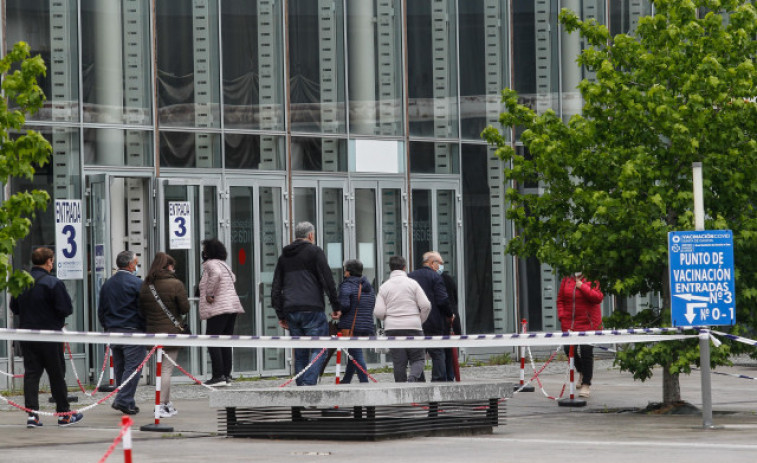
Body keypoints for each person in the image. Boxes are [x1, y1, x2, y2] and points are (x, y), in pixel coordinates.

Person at [10, 247, 84, 428]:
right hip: (51, 335)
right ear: (49, 261)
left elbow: (14, 307)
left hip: (28, 335)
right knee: (56, 374)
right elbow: (66, 309)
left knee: (31, 375)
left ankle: (32, 415)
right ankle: (64, 414)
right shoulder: (53, 283)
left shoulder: (22, 283)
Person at [271, 221, 340, 386]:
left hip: (291, 310)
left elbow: (275, 288)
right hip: (312, 309)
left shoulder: (283, 257)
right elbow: (327, 280)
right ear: (310, 235)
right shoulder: (315, 252)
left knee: (300, 352)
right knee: (321, 347)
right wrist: (336, 306)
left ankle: (301, 390)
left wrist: (280, 314)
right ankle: (308, 385)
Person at [139, 252, 190, 417]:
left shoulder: (147, 285)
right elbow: (185, 308)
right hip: (171, 332)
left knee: (161, 368)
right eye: (172, 265)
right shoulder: (175, 284)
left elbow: (142, 309)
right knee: (167, 370)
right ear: (168, 266)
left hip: (153, 332)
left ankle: (167, 403)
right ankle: (160, 405)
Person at [98, 250, 145, 415]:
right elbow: (143, 309)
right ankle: (123, 400)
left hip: (113, 330)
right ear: (131, 265)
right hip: (132, 331)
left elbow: (101, 309)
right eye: (136, 263)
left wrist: (107, 326)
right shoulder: (137, 283)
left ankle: (125, 399)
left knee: (120, 367)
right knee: (133, 368)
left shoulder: (108, 284)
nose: (137, 266)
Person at [374, 256, 431, 383]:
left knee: (399, 362)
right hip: (413, 326)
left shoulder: (384, 287)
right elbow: (426, 305)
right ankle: (412, 379)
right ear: (404, 267)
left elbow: (378, 312)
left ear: (390, 268)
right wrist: (419, 320)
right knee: (418, 359)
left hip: (393, 328)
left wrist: (387, 318)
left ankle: (400, 391)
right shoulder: (413, 284)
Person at [198, 238, 244, 386]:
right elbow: (233, 278)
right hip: (231, 306)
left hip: (219, 307)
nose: (203, 252)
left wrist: (209, 293)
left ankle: (218, 375)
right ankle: (226, 374)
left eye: (205, 250)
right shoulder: (224, 264)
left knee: (212, 339)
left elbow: (216, 275)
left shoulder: (211, 264)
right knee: (225, 340)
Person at [557, 271, 604, 398]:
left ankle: (586, 384)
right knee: (568, 350)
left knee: (586, 351)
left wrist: (582, 287)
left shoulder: (593, 278)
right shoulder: (566, 279)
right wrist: (562, 316)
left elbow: (598, 297)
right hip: (570, 324)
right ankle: (582, 371)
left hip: (589, 324)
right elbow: (560, 299)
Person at [408, 251, 453, 382]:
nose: (441, 267)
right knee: (437, 353)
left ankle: (418, 381)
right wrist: (450, 315)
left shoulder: (410, 276)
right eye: (440, 264)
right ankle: (438, 382)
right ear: (432, 263)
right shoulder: (435, 277)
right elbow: (442, 300)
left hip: (415, 321)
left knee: (416, 354)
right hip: (433, 321)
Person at [333, 259, 375, 383]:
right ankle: (346, 380)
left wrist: (337, 310)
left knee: (356, 354)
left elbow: (345, 305)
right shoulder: (368, 286)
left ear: (348, 272)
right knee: (353, 353)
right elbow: (372, 303)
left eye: (345, 269)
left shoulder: (347, 285)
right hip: (366, 325)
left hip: (351, 326)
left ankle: (365, 384)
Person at [441, 269, 462, 381]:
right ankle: (450, 377)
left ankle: (446, 377)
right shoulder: (449, 279)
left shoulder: (439, 280)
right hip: (452, 319)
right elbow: (455, 299)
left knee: (443, 353)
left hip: (447, 320)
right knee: (450, 353)